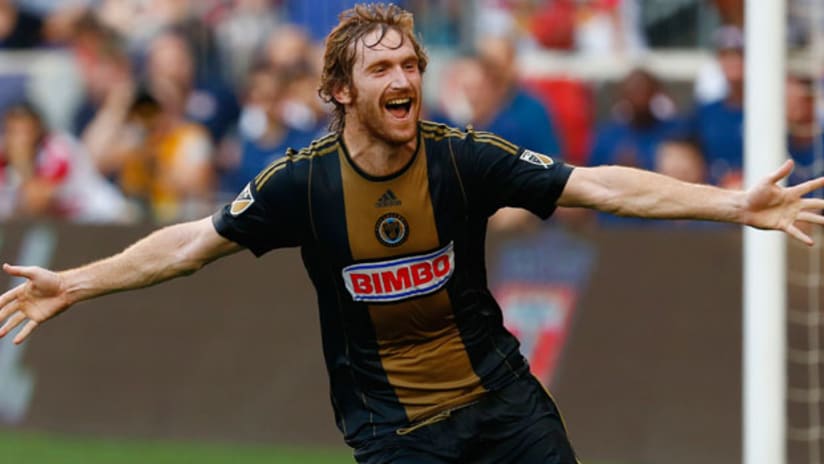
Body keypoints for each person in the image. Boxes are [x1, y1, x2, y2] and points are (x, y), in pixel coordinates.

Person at [1, 4, 824, 464]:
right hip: (395, 436)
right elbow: (186, 246)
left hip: (506, 408)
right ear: (339, 91)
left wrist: (734, 207)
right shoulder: (303, 181)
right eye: (383, 69)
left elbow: (599, 182)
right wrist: (74, 281)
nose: (405, 80)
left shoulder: (464, 158)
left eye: (413, 66)